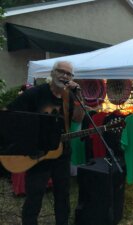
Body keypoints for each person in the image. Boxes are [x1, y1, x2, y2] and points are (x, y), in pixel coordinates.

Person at [7, 61, 84, 225]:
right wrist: (26, 142)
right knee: (34, 197)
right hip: (37, 156)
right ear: (52, 72)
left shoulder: (69, 97)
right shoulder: (35, 94)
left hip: (62, 154)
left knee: (62, 196)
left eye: (68, 74)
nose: (64, 76)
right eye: (61, 71)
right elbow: (11, 115)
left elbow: (78, 118)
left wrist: (78, 97)